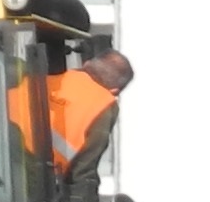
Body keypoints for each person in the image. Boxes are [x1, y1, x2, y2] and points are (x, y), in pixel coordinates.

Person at [10, 49, 132, 177]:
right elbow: (83, 173)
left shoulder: (30, 78)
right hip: (29, 179)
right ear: (114, 91)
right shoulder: (103, 106)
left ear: (86, 65)